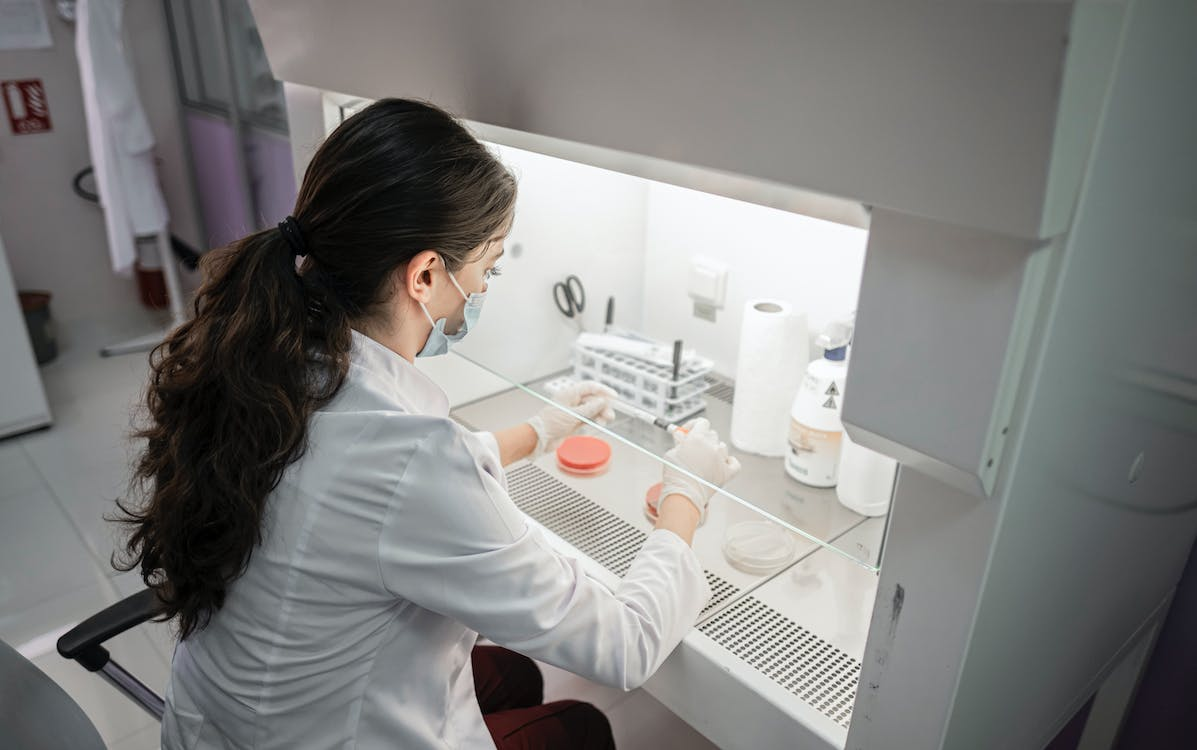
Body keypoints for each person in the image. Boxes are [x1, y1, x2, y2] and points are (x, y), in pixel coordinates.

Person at [116, 98, 741, 750]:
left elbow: (353, 483)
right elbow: (622, 645)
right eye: (488, 266)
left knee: (511, 675)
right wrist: (685, 497)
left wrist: (538, 432)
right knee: (581, 726)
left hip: (227, 720)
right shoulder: (408, 457)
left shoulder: (271, 363)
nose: (487, 287)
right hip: (306, 734)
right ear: (423, 275)